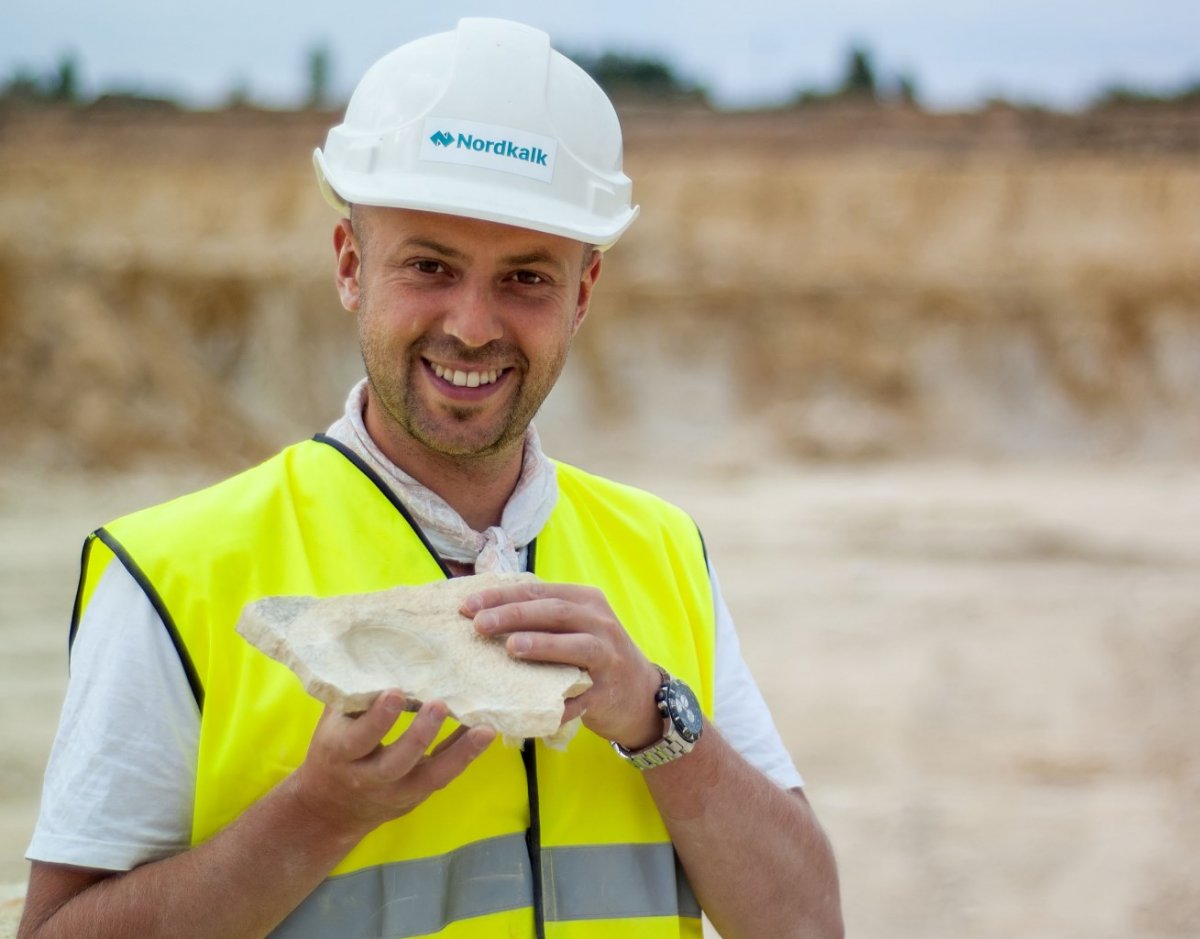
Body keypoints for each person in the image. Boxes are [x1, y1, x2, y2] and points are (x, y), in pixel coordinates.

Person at [19, 18, 842, 939]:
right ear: (349, 267)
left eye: (526, 277)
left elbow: (805, 924)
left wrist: (658, 721)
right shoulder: (176, 574)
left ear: (582, 293)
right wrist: (318, 812)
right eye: (429, 267)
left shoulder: (660, 551)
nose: (474, 325)